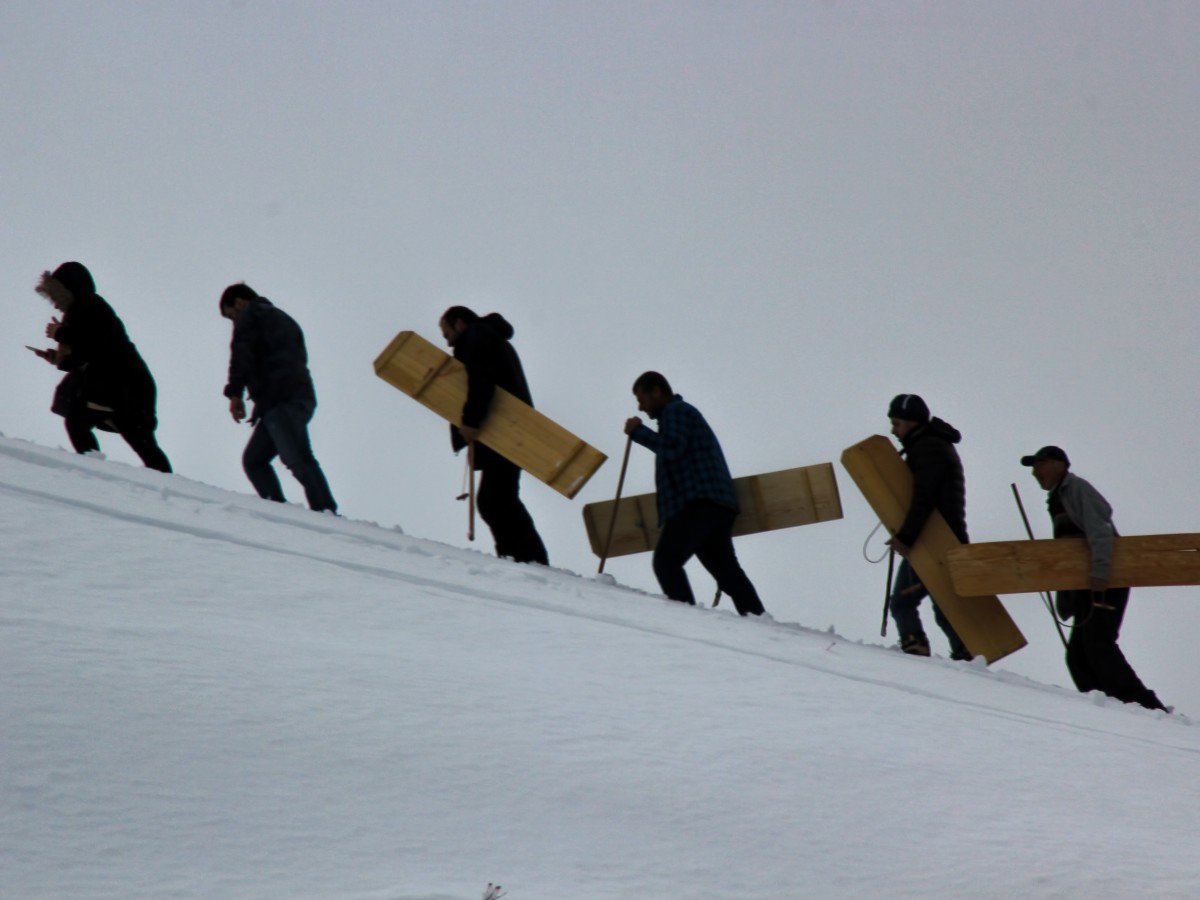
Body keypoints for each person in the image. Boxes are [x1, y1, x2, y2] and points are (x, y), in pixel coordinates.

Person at [1022, 446, 1167, 711]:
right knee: (1078, 655)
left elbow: (1100, 531)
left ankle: (1142, 705)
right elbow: (1070, 551)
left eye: (1039, 464)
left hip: (1104, 580)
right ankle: (1101, 706)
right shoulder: (1058, 497)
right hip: (1088, 585)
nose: (1034, 472)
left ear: (1059, 464)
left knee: (1098, 644)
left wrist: (1100, 572)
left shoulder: (1076, 488)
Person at [623, 371, 766, 617]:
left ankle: (686, 619)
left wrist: (638, 432)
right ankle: (757, 618)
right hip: (714, 505)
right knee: (727, 572)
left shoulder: (676, 411)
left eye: (642, 399)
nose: (640, 407)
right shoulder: (678, 414)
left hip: (698, 503)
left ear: (656, 391)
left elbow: (673, 447)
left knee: (666, 562)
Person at [29, 262, 172, 472]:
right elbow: (85, 354)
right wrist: (55, 358)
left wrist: (60, 334)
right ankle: (98, 472)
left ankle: (96, 472)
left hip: (124, 386)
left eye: (57, 297)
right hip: (118, 387)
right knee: (137, 441)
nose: (55, 304)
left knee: (137, 440)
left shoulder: (92, 307)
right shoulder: (80, 311)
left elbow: (95, 345)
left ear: (70, 290)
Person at [439, 306, 548, 565]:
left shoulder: (476, 338)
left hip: (505, 431)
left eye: (447, 332)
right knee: (496, 499)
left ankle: (525, 559)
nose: (446, 340)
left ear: (460, 324)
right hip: (510, 431)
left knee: (495, 499)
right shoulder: (488, 337)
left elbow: (481, 381)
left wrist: (470, 421)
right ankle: (520, 557)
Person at [220, 283, 337, 514]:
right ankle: (278, 511)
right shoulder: (283, 319)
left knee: (298, 459)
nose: (234, 322)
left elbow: (242, 356)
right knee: (255, 460)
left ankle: (326, 512)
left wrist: (235, 393)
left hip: (281, 400)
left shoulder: (251, 316)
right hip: (295, 397)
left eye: (232, 315)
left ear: (241, 303)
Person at [884, 393, 970, 659]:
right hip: (946, 539)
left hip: (935, 541)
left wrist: (907, 537)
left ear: (912, 422)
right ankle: (967, 656)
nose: (893, 430)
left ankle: (916, 654)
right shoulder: (931, 444)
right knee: (944, 607)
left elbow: (925, 497)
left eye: (897, 423)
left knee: (902, 602)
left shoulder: (928, 447)